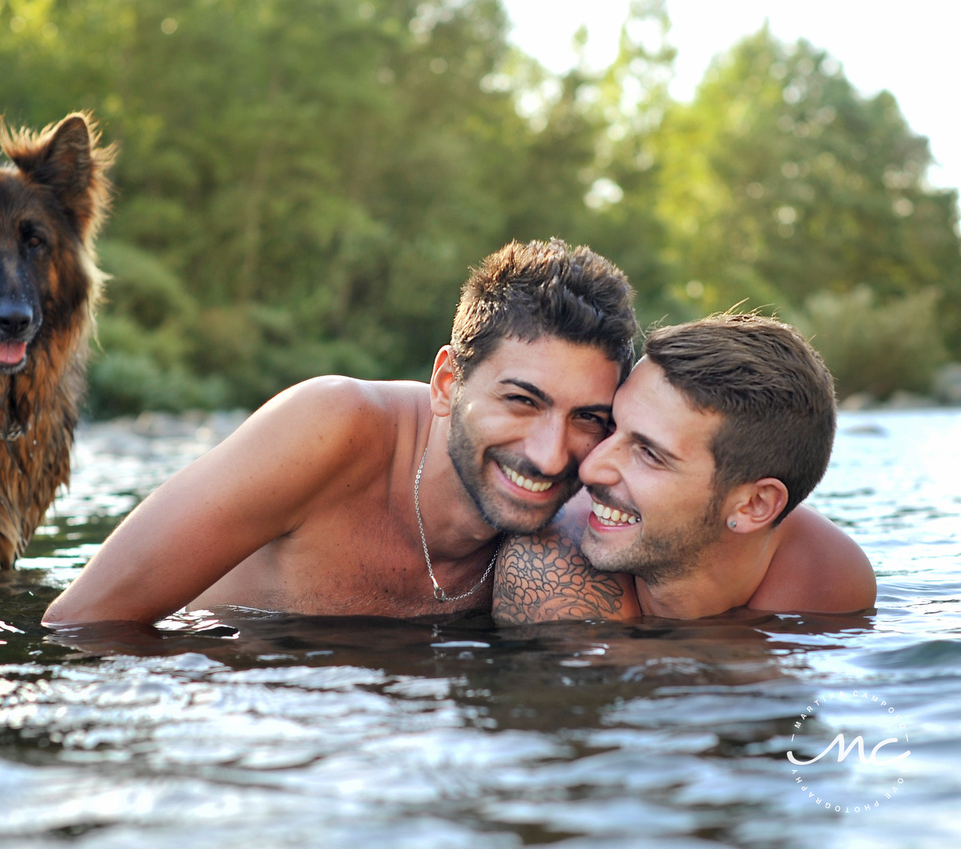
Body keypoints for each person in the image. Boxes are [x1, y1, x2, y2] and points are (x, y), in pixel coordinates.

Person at [42, 239, 640, 626]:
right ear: (446, 383)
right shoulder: (331, 429)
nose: (549, 453)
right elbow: (79, 625)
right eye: (520, 400)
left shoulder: (592, 525)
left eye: (587, 417)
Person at [491, 313, 877, 625]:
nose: (590, 469)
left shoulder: (828, 579)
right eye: (611, 427)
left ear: (754, 505)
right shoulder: (549, 563)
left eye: (649, 454)